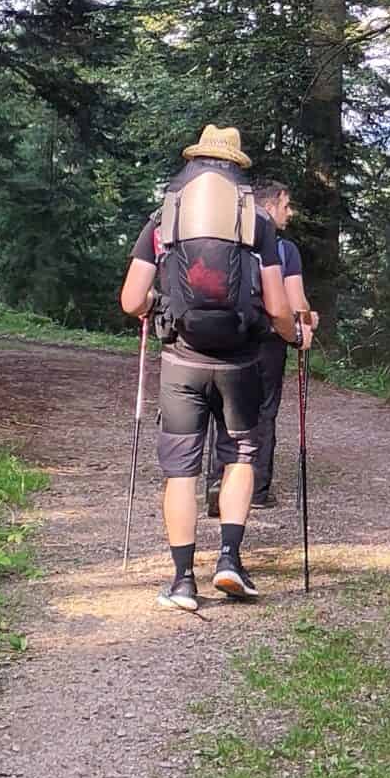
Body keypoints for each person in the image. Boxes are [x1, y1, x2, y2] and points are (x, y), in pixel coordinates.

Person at [120, 125, 308, 611]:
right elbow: (277, 306)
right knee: (240, 456)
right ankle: (229, 559)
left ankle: (182, 580)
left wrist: (155, 308)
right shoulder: (257, 224)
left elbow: (130, 301)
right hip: (240, 361)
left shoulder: (164, 219)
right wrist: (293, 335)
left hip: (182, 359)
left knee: (180, 470)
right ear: (236, 169)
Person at [209, 178, 312, 513]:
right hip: (268, 339)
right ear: (269, 206)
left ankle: (217, 483)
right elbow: (296, 306)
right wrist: (308, 324)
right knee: (263, 411)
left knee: (224, 409)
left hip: (226, 333)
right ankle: (256, 490)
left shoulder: (224, 241)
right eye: (286, 205)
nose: (290, 213)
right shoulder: (284, 249)